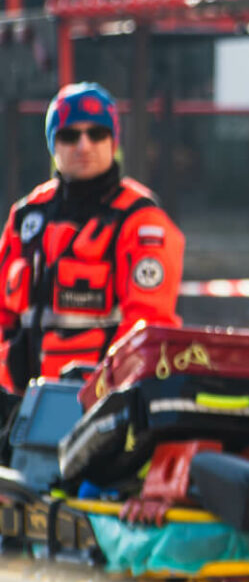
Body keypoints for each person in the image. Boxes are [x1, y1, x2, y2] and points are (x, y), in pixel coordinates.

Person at [0, 81, 184, 397]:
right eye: (70, 135)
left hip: (101, 405)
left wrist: (104, 393)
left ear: (113, 142)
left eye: (96, 134)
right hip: (21, 401)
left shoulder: (140, 219)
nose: (83, 146)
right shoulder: (27, 216)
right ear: (53, 144)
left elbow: (148, 324)